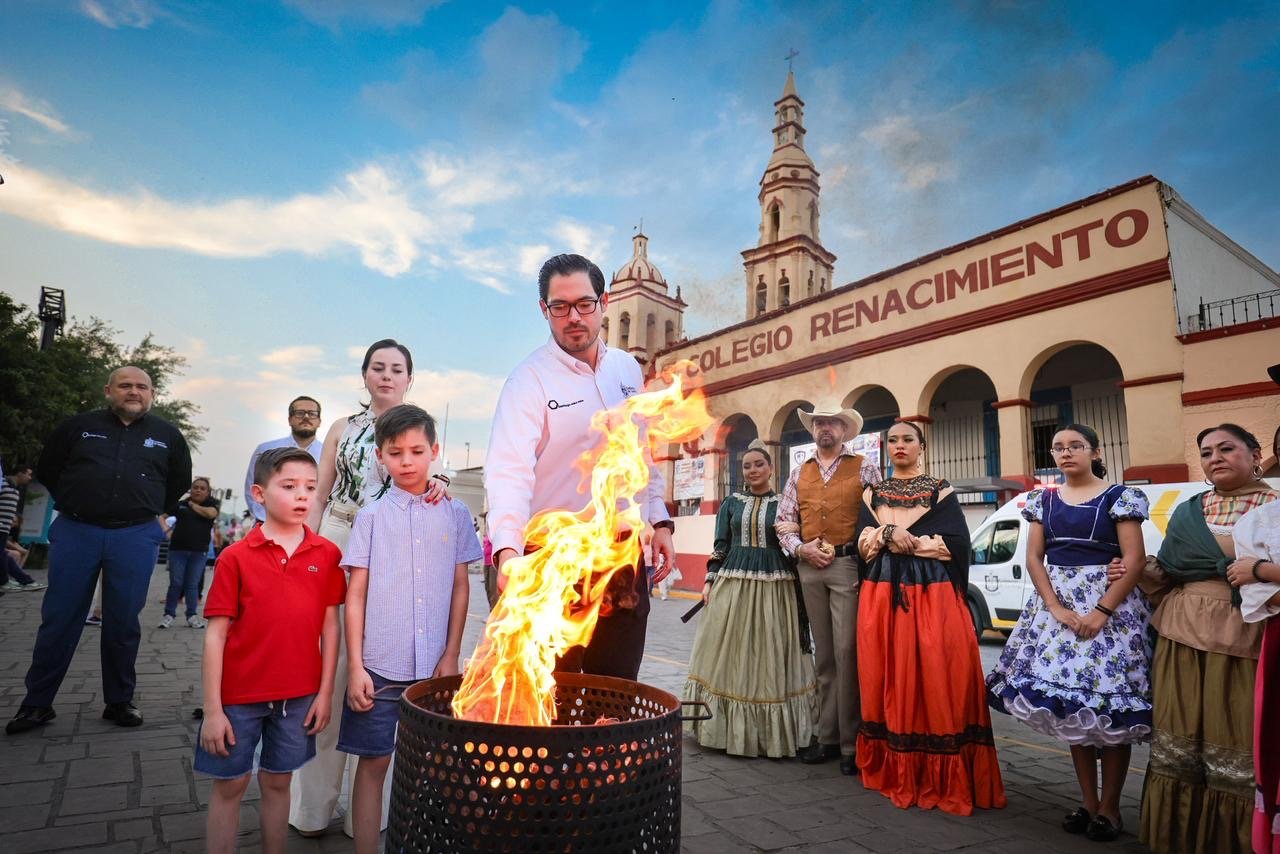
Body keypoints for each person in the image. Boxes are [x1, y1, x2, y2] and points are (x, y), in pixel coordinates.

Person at [485, 253, 675, 680]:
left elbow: (642, 451)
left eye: (584, 304)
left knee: (617, 685)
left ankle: (609, 747)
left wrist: (660, 520)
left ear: (603, 302)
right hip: (554, 558)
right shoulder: (528, 380)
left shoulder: (626, 369)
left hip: (623, 556)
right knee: (555, 689)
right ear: (544, 310)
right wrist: (509, 550)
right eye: (560, 306)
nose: (574, 317)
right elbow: (509, 471)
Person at [290, 339, 443, 839]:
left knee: (383, 667)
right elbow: (320, 490)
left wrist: (436, 484)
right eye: (378, 367)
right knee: (331, 667)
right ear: (364, 374)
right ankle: (311, 808)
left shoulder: (416, 429)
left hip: (396, 548)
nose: (386, 375)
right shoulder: (343, 428)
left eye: (397, 368)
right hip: (338, 535)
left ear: (409, 378)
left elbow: (423, 478)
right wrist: (306, 550)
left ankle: (371, 811)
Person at [986, 424, 1151, 841]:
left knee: (1109, 712)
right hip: (1055, 612)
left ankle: (1110, 808)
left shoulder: (1119, 496)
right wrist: (1056, 607)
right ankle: (1088, 802)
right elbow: (1035, 559)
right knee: (1071, 711)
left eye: (1075, 446)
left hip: (1111, 612)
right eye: (1058, 447)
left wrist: (1100, 611)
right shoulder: (1044, 499)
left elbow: (1134, 559)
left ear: (1094, 451)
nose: (1065, 453)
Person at [7, 366, 192, 735]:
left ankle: (119, 701)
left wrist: (147, 510)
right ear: (109, 390)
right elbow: (50, 469)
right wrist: (80, 501)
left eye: (142, 386)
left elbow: (178, 482)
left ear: (152, 394)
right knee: (60, 619)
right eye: (125, 385)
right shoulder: (77, 427)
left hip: (135, 535)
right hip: (78, 530)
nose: (134, 392)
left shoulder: (167, 436)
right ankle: (37, 704)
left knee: (123, 622)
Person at [338, 405, 481, 853]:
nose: (407, 460)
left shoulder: (455, 513)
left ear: (434, 452)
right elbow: (355, 594)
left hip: (435, 666)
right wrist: (357, 666)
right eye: (395, 452)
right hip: (380, 665)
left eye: (417, 451)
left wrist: (452, 653)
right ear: (381, 456)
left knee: (437, 764)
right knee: (374, 762)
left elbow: (461, 587)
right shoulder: (372, 517)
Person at [196, 447, 344, 854]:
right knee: (231, 784)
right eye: (289, 486)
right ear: (259, 494)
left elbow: (331, 628)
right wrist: (213, 710)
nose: (302, 496)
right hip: (237, 698)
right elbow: (215, 636)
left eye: (311, 488)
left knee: (279, 781)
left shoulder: (327, 554)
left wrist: (325, 692)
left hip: (298, 697)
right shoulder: (235, 558)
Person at [853, 421, 1005, 815]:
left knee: (937, 670)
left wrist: (903, 539)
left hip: (932, 595)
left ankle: (940, 770)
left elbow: (955, 544)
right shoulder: (872, 493)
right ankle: (895, 764)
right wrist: (885, 533)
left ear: (921, 446)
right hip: (883, 595)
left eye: (907, 439)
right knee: (887, 672)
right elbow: (862, 544)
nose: (899, 445)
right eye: (893, 440)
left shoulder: (940, 490)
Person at [1138, 423, 1277, 853]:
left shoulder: (1275, 506)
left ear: (1255, 454)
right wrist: (1135, 570)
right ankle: (1176, 836)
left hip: (1246, 635)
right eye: (1206, 452)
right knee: (1178, 737)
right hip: (1180, 634)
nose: (1214, 457)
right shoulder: (1188, 509)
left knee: (1236, 736)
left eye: (1227, 448)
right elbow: (1168, 570)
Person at [683, 439, 816, 758]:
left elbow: (793, 542)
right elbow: (720, 544)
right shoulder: (730, 503)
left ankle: (771, 731)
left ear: (771, 469)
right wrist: (709, 580)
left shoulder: (785, 502)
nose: (753, 470)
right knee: (732, 648)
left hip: (776, 584)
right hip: (733, 583)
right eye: (747, 465)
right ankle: (722, 727)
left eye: (759, 464)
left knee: (769, 648)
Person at [774, 399, 880, 773]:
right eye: (820, 423)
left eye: (832, 423)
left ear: (844, 430)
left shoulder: (864, 467)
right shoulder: (798, 471)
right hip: (810, 567)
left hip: (847, 564)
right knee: (824, 655)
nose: (825, 429)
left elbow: (878, 516)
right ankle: (827, 736)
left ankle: (852, 744)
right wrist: (800, 548)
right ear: (813, 429)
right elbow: (784, 520)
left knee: (847, 651)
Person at [243, 396, 324, 523]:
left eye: (312, 414)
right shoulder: (266, 449)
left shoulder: (328, 454)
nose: (306, 417)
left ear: (319, 421)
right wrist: (266, 520)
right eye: (300, 413)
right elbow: (252, 488)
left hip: (314, 527)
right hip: (268, 525)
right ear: (289, 419)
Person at [159, 477, 220, 629]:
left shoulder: (212, 504)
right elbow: (162, 517)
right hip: (177, 550)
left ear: (208, 492)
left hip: (199, 552)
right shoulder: (181, 505)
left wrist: (193, 505)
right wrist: (166, 531)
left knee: (192, 584)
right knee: (176, 583)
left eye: (202, 488)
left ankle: (192, 615)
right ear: (191, 489)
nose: (198, 490)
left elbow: (211, 514)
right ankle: (168, 614)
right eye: (195, 487)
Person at [0, 465, 45, 592]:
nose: (30, 478)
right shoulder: (2, 483)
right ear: (20, 473)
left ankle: (25, 581)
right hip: (0, 526)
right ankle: (6, 581)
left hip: (4, 529)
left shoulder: (15, 489)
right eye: (28, 474)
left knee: (4, 555)